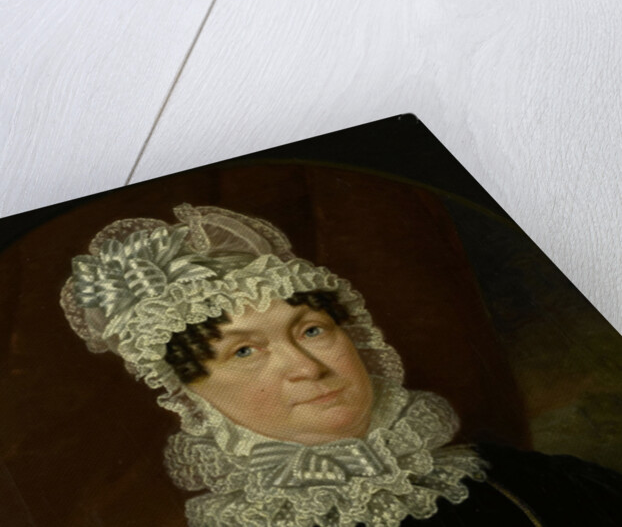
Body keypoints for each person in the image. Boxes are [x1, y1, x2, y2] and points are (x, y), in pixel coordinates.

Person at [61, 203, 622, 527]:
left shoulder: (521, 481)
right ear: (191, 395)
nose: (306, 367)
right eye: (244, 352)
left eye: (311, 330)